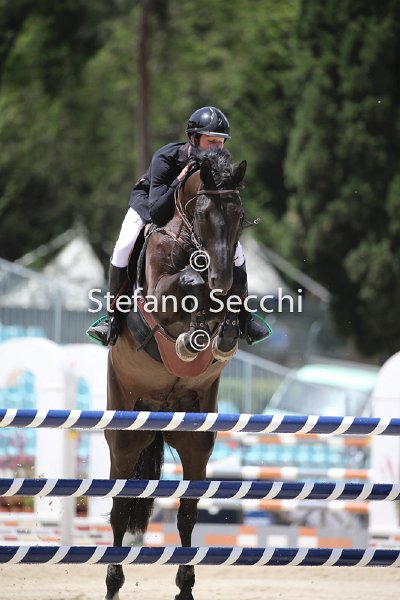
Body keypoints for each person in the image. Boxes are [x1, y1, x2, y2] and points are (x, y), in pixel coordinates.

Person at [87, 106, 271, 346]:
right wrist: (180, 178)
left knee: (236, 252)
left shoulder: (220, 165)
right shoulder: (167, 157)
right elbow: (158, 212)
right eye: (211, 141)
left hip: (194, 215)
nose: (217, 147)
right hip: (150, 203)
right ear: (193, 138)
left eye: (221, 142)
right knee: (124, 246)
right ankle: (112, 317)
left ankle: (244, 316)